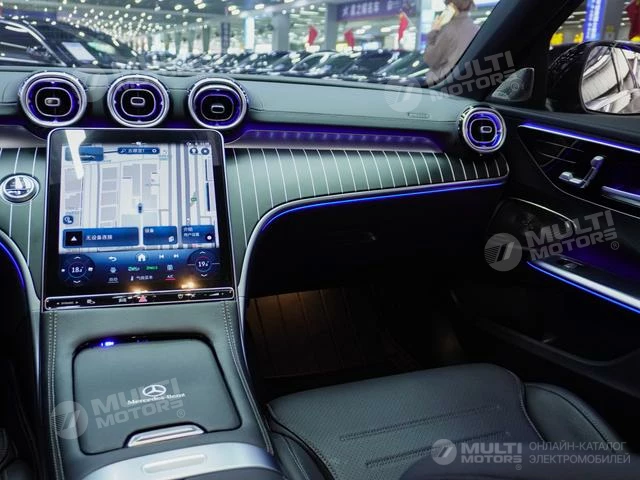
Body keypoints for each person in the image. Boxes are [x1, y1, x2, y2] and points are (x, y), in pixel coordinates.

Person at [423, 0, 479, 86]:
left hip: (443, 84)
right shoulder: (476, 29)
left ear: (451, 6)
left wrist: (433, 32)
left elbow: (430, 59)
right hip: (466, 82)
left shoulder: (448, 30)